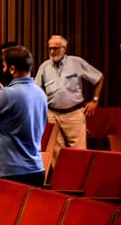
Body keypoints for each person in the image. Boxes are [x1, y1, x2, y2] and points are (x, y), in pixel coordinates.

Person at [0, 46, 47, 186]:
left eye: (4, 66)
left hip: (9, 172)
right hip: (35, 170)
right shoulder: (40, 93)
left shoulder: (7, 94)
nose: (3, 69)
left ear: (12, 69)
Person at [35, 35, 104, 163]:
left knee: (79, 153)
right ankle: (60, 175)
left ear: (64, 49)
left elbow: (99, 77)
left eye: (56, 48)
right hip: (52, 114)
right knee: (55, 152)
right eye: (50, 48)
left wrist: (95, 100)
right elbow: (36, 90)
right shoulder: (44, 67)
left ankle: (78, 176)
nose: (52, 52)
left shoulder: (76, 62)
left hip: (74, 114)